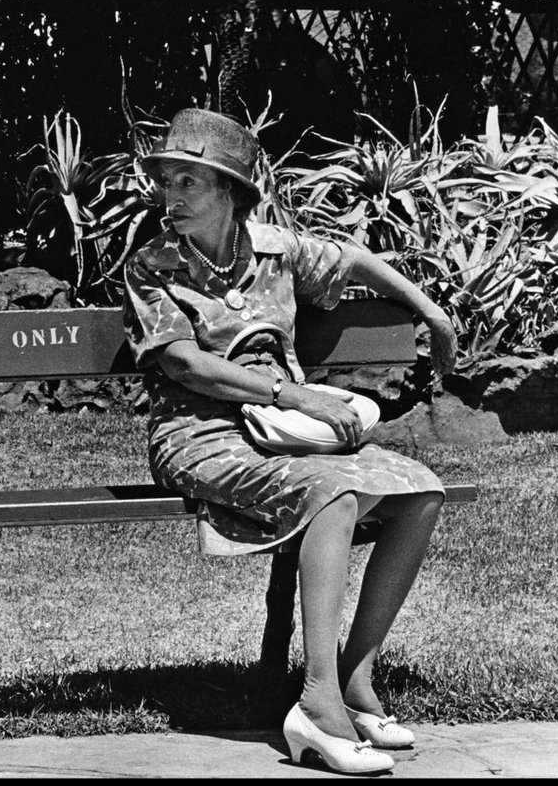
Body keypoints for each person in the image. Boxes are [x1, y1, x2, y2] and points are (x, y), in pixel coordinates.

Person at [123, 109, 458, 775]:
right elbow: (184, 364)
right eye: (169, 180)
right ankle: (317, 702)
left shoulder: (275, 249)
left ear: (231, 193)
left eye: (191, 182)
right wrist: (292, 394)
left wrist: (432, 312)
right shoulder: (153, 264)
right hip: (200, 433)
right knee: (332, 492)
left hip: (282, 434)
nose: (172, 196)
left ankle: (355, 679)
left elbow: (355, 258)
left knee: (421, 491)